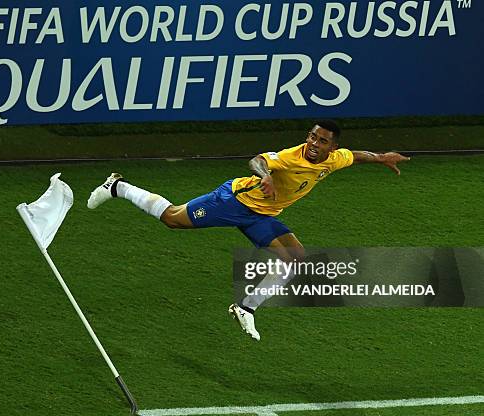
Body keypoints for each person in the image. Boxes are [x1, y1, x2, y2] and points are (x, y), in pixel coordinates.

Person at [87, 120, 410, 341]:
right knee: (173, 218)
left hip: (264, 215)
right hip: (236, 201)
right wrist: (266, 175)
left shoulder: (333, 158)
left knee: (295, 259)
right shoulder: (290, 157)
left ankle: (245, 307)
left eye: (321, 140)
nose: (313, 143)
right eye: (311, 136)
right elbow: (258, 160)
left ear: (331, 145)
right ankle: (119, 186)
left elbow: (354, 156)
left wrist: (380, 157)